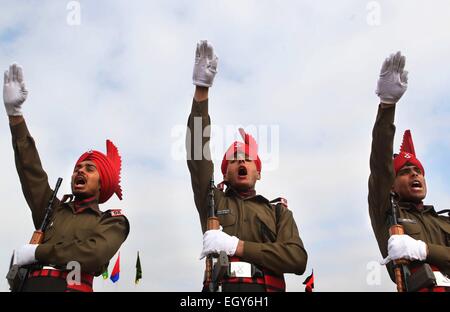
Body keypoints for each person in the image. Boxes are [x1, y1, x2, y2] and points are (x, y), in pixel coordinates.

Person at [186, 41, 307, 292]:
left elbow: (296, 259)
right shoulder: (212, 200)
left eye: (247, 158)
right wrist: (201, 92)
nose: (241, 161)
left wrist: (238, 247)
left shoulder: (278, 213)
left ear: (258, 172)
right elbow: (198, 156)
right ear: (224, 172)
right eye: (234, 159)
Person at [3, 63, 129, 292]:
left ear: (103, 183)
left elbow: (93, 254)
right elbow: (31, 171)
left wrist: (37, 252)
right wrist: (15, 118)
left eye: (90, 169)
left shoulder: (112, 221)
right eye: (77, 168)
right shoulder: (53, 210)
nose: (80, 171)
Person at [369, 52, 450, 292]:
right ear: (392, 185)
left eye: (418, 171)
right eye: (405, 172)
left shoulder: (445, 221)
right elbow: (380, 165)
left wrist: (423, 250)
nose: (415, 175)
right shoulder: (385, 210)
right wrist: (387, 106)